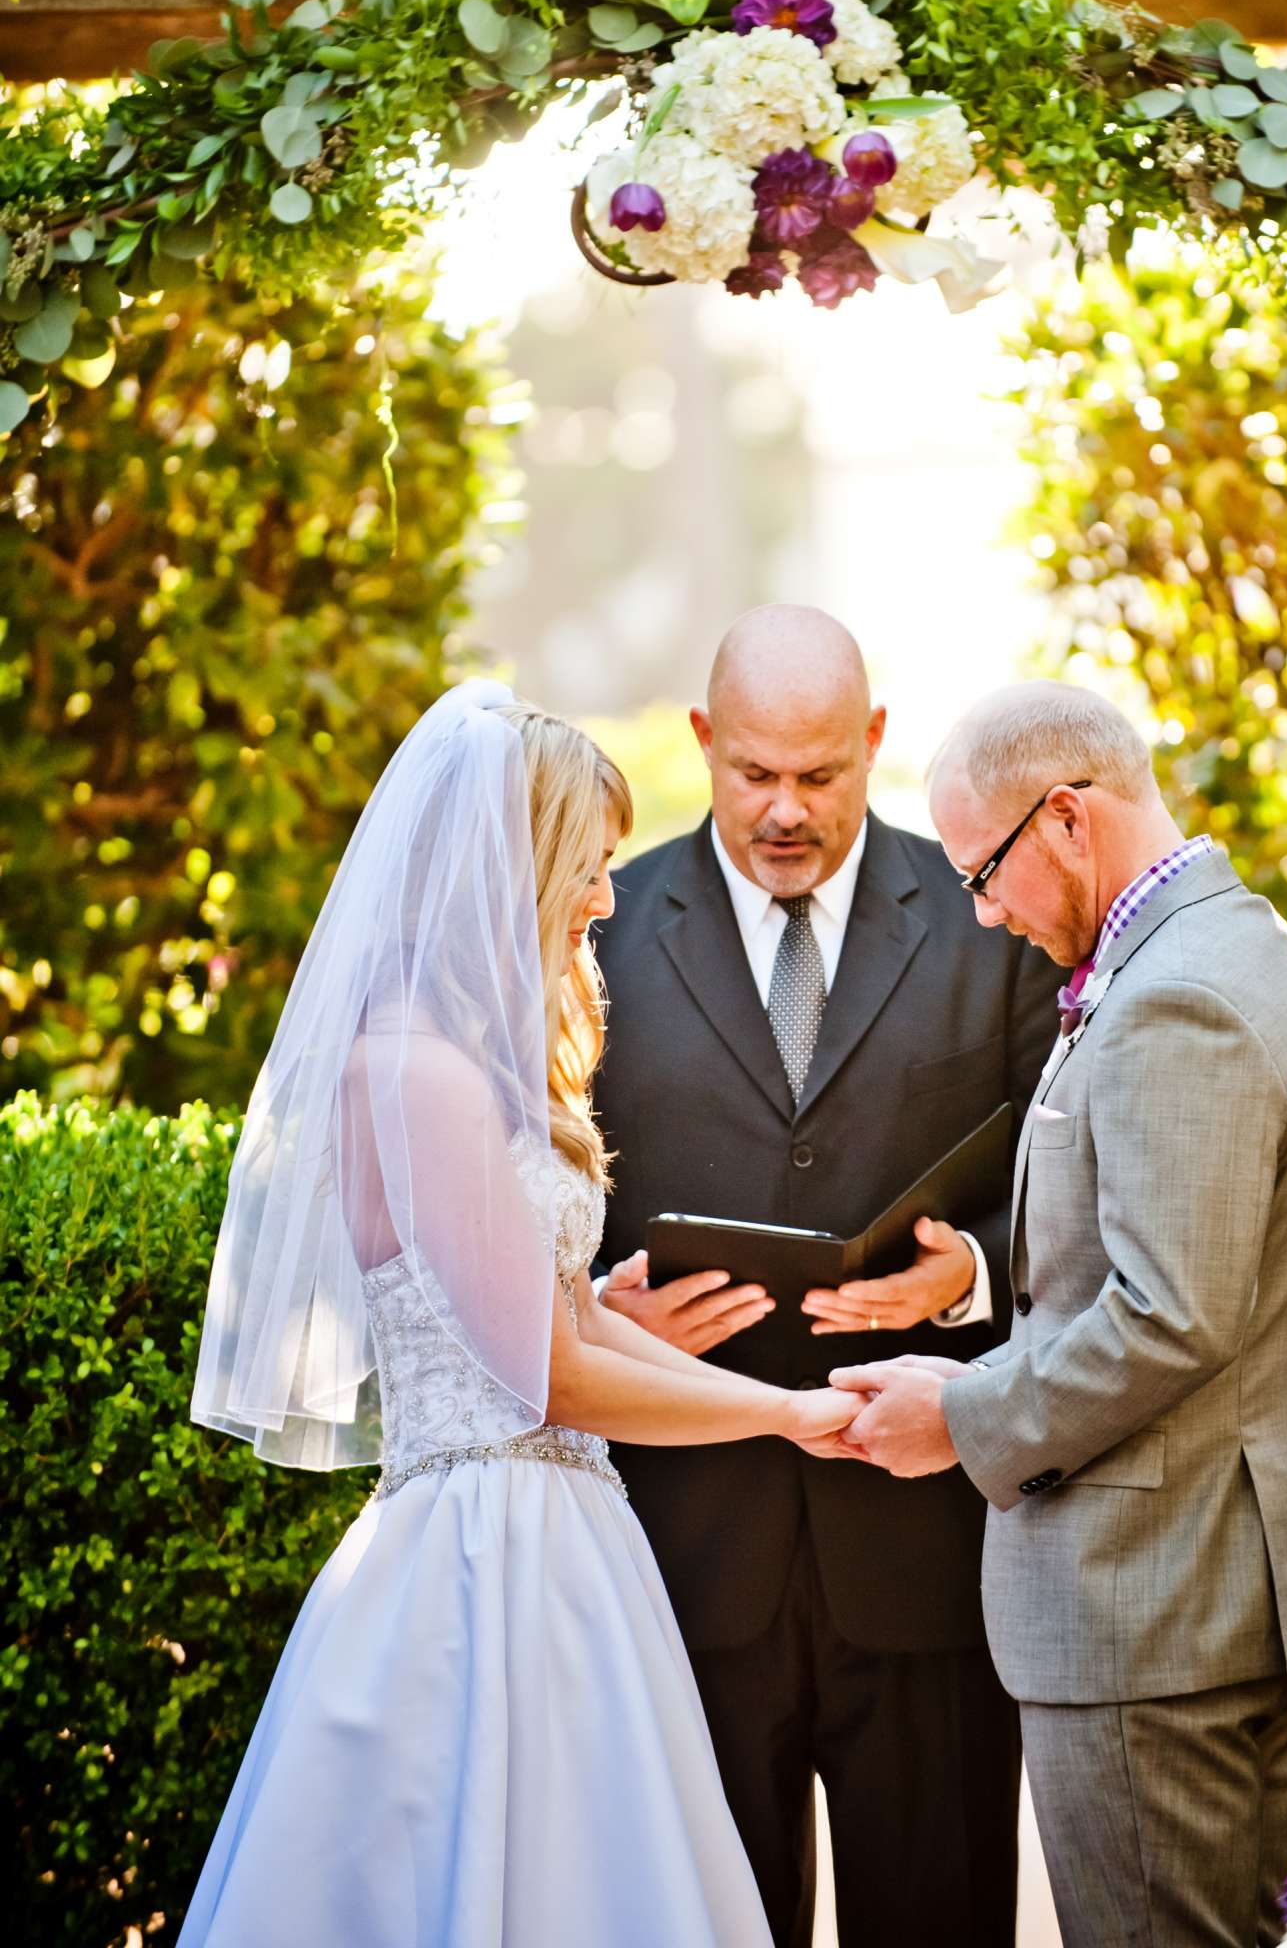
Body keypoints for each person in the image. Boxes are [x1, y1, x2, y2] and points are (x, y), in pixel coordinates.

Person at [179, 680, 859, 1948]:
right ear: (516, 865)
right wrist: (787, 1412)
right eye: (586, 867)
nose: (606, 898)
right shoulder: (418, 1071)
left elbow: (551, 1332)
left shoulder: (460, 1068)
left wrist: (615, 1316)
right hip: (483, 1556)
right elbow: (545, 1382)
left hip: (559, 1536)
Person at [833, 680, 1287, 1948]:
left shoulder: (1177, 998)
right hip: (1211, 1598)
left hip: (1156, 1614)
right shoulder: (1235, 952)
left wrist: (959, 1415)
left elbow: (1170, 1317)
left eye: (986, 872)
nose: (982, 913)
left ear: (1068, 819)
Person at [592, 609, 1060, 1948]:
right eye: (753, 775)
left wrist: (966, 1275)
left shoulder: (991, 930)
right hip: (685, 1562)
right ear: (701, 743)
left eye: (820, 774)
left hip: (926, 1560)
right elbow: (531, 1200)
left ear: (874, 744)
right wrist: (606, 1310)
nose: (786, 809)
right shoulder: (602, 936)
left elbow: (1069, 1179)